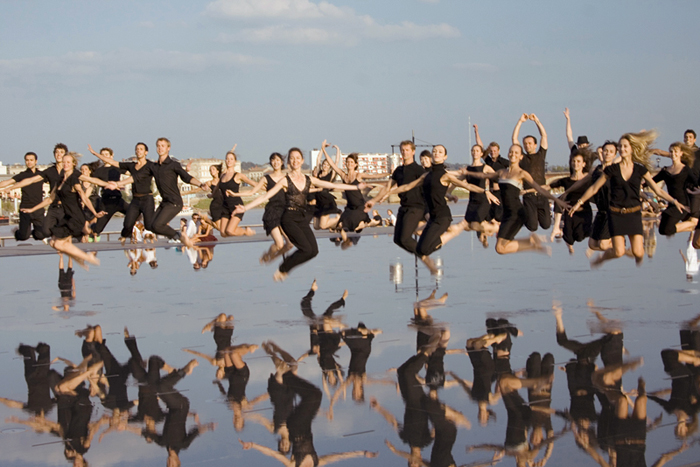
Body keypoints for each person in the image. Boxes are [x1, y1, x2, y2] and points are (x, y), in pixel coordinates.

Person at [234, 147, 366, 281]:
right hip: (288, 219)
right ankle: (283, 269)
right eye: (292, 158)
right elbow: (265, 196)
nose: (295, 160)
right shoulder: (285, 180)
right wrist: (245, 208)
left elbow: (331, 185)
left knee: (313, 251)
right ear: (290, 163)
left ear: (302, 161)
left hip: (302, 219)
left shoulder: (309, 179)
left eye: (298, 158)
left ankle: (284, 267)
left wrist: (355, 187)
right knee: (305, 249)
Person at [571, 131, 688, 267]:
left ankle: (628, 255)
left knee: (639, 253)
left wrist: (674, 201)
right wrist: (579, 202)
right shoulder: (612, 169)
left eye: (625, 146)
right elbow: (594, 188)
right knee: (619, 251)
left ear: (632, 148)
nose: (622, 149)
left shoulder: (640, 170)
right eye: (620, 146)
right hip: (616, 214)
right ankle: (602, 259)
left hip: (633, 214)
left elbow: (657, 190)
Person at [390, 144, 491, 272]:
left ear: (445, 157)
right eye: (434, 151)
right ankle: (432, 243)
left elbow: (468, 186)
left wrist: (485, 191)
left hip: (442, 216)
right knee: (417, 247)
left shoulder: (445, 175)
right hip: (432, 216)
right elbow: (408, 187)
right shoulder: (426, 175)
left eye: (440, 152)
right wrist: (384, 193)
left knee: (423, 248)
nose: (436, 153)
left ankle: (452, 232)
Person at [470, 144, 568, 255]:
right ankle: (531, 242)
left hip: (517, 213)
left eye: (516, 153)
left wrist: (557, 201)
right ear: (508, 154)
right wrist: (466, 173)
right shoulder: (502, 172)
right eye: (511, 152)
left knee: (500, 248)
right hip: (507, 213)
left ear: (521, 157)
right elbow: (483, 176)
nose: (513, 154)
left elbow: (539, 188)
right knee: (500, 248)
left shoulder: (522, 173)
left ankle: (531, 244)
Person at [16, 152, 105, 268]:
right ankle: (80, 259)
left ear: (73, 164)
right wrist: (32, 209)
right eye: (64, 162)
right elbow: (49, 199)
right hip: (67, 217)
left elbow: (83, 196)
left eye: (68, 162)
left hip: (76, 218)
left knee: (58, 243)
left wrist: (94, 213)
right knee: (53, 242)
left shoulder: (74, 179)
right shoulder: (60, 180)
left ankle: (87, 257)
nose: (65, 164)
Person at [122, 137, 207, 248]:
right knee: (150, 226)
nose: (160, 148)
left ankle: (179, 236)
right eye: (158, 146)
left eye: (163, 146)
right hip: (165, 202)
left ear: (168, 148)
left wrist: (200, 184)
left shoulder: (173, 165)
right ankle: (178, 236)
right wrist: (119, 184)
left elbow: (186, 177)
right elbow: (136, 177)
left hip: (175, 202)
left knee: (158, 225)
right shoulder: (153, 166)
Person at [365, 140, 425, 255]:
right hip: (404, 207)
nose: (404, 152)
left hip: (416, 207)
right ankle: (422, 253)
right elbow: (387, 187)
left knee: (405, 239)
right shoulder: (398, 170)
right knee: (397, 240)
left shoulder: (418, 170)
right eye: (402, 150)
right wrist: (374, 200)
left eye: (407, 150)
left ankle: (424, 254)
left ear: (413, 151)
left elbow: (429, 186)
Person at [90, 142, 156, 245]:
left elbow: (161, 174)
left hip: (144, 198)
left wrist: (118, 184)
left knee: (148, 224)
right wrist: (95, 153)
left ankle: (137, 234)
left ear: (146, 152)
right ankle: (125, 235)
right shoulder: (131, 166)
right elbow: (113, 163)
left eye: (141, 149)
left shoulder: (151, 166)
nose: (138, 151)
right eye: (137, 149)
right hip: (128, 199)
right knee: (127, 223)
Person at [232, 152, 290, 263]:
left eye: (278, 160)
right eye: (273, 160)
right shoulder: (266, 179)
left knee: (290, 244)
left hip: (285, 213)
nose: (275, 162)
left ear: (282, 162)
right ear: (270, 162)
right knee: (279, 244)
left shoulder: (287, 178)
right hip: (272, 212)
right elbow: (252, 192)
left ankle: (272, 258)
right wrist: (236, 195)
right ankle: (267, 255)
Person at [320, 141, 388, 236]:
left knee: (359, 225)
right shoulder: (344, 175)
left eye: (351, 162)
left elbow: (375, 175)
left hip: (359, 206)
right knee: (340, 224)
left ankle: (374, 222)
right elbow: (332, 164)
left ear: (355, 164)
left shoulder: (358, 175)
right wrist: (323, 149)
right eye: (347, 162)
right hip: (350, 207)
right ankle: (374, 221)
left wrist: (389, 173)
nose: (349, 164)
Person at [512, 113, 551, 231]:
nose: (527, 145)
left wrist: (537, 121)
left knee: (546, 225)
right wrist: (520, 122)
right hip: (529, 196)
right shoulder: (522, 157)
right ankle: (521, 215)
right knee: (533, 227)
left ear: (535, 145)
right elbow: (514, 139)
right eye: (525, 144)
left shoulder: (541, 154)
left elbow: (544, 136)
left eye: (530, 143)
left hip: (542, 194)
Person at [548, 153, 592, 254]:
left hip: (583, 212)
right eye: (574, 161)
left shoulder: (589, 180)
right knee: (569, 238)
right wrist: (533, 189)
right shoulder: (566, 181)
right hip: (570, 212)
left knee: (580, 236)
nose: (575, 163)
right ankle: (560, 232)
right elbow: (549, 186)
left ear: (583, 164)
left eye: (578, 161)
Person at [0, 152, 45, 241]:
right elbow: (8, 182)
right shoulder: (22, 175)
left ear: (36, 161)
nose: (29, 162)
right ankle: (17, 232)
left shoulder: (41, 175)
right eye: (27, 160)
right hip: (25, 208)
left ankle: (35, 232)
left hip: (38, 208)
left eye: (31, 160)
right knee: (24, 236)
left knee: (41, 235)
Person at [653, 142, 696, 236]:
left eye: (676, 151)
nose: (673, 154)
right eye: (671, 152)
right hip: (672, 203)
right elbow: (651, 182)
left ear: (681, 153)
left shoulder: (685, 169)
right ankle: (692, 226)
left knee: (667, 229)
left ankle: (693, 223)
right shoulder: (665, 171)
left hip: (683, 205)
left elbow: (696, 183)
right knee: (662, 231)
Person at [86, 146, 129, 240]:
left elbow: (131, 175)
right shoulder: (98, 171)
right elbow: (92, 185)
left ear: (112, 156)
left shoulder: (117, 167)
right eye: (102, 155)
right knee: (97, 229)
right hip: (106, 202)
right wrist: (84, 197)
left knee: (134, 213)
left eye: (107, 155)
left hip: (118, 200)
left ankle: (127, 234)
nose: (104, 157)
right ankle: (89, 241)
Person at [463, 141, 500, 248]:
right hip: (472, 200)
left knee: (477, 222)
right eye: (473, 151)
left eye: (477, 151)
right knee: (468, 226)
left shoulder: (485, 168)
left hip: (484, 199)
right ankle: (486, 233)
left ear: (481, 153)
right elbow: (458, 181)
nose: (475, 153)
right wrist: (448, 193)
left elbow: (497, 178)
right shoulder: (468, 169)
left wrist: (491, 191)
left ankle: (493, 229)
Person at [218, 149, 256, 237]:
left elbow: (253, 183)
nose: (229, 161)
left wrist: (265, 185)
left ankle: (246, 232)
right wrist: (211, 194)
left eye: (231, 159)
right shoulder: (222, 175)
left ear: (235, 162)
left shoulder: (238, 175)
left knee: (230, 231)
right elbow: (218, 187)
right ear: (225, 161)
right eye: (227, 159)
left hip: (236, 206)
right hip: (225, 206)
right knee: (223, 233)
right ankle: (243, 231)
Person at [311, 144, 342, 230]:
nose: (325, 166)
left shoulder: (330, 175)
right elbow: (318, 160)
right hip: (318, 201)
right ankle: (336, 226)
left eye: (327, 165)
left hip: (326, 200)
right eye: (324, 164)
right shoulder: (318, 173)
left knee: (323, 226)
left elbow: (336, 163)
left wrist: (338, 150)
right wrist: (322, 148)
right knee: (316, 227)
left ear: (329, 167)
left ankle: (339, 218)